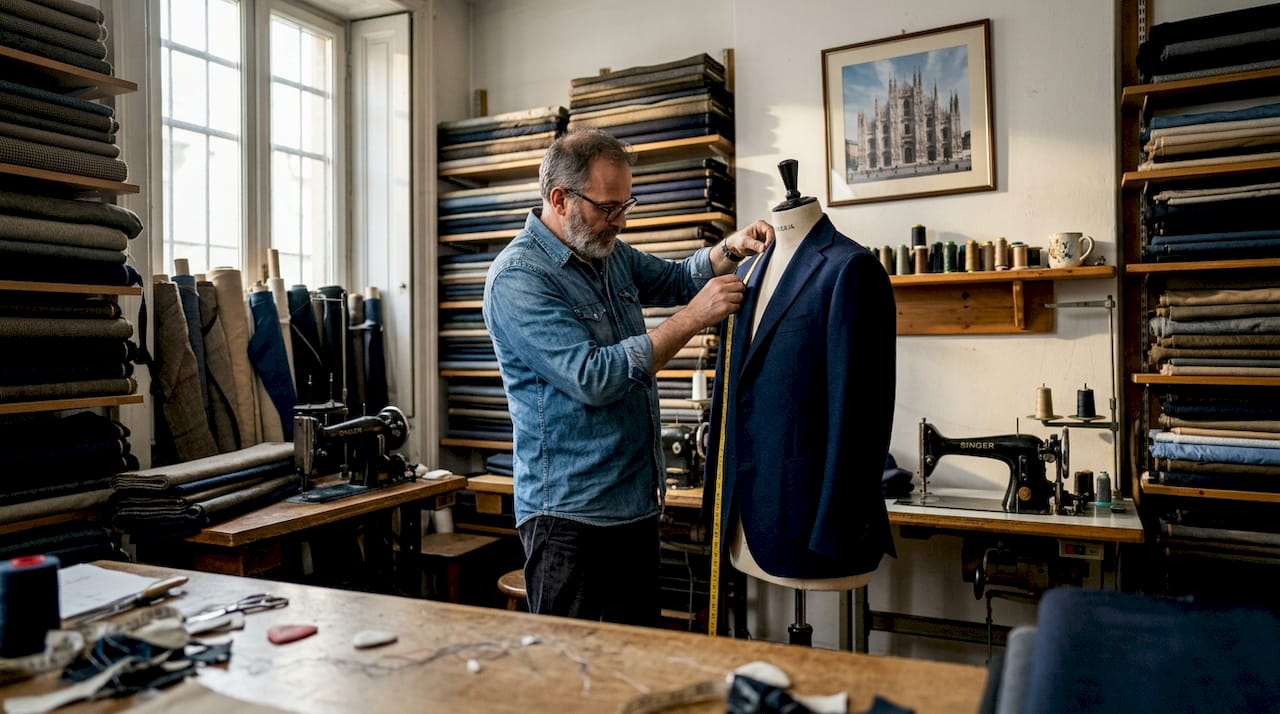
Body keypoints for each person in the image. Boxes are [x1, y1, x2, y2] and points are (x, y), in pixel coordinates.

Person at [483, 128, 773, 626]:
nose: (619, 222)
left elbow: (677, 278)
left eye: (625, 206)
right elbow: (593, 377)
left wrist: (733, 247)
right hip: (569, 520)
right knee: (574, 688)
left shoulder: (605, 251)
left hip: (633, 505)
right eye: (608, 208)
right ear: (560, 199)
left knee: (635, 672)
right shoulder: (518, 279)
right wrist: (693, 318)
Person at [703, 162, 897, 633]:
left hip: (809, 523)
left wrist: (835, 527)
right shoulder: (746, 274)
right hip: (744, 518)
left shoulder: (851, 270)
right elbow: (733, 396)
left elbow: (861, 416)